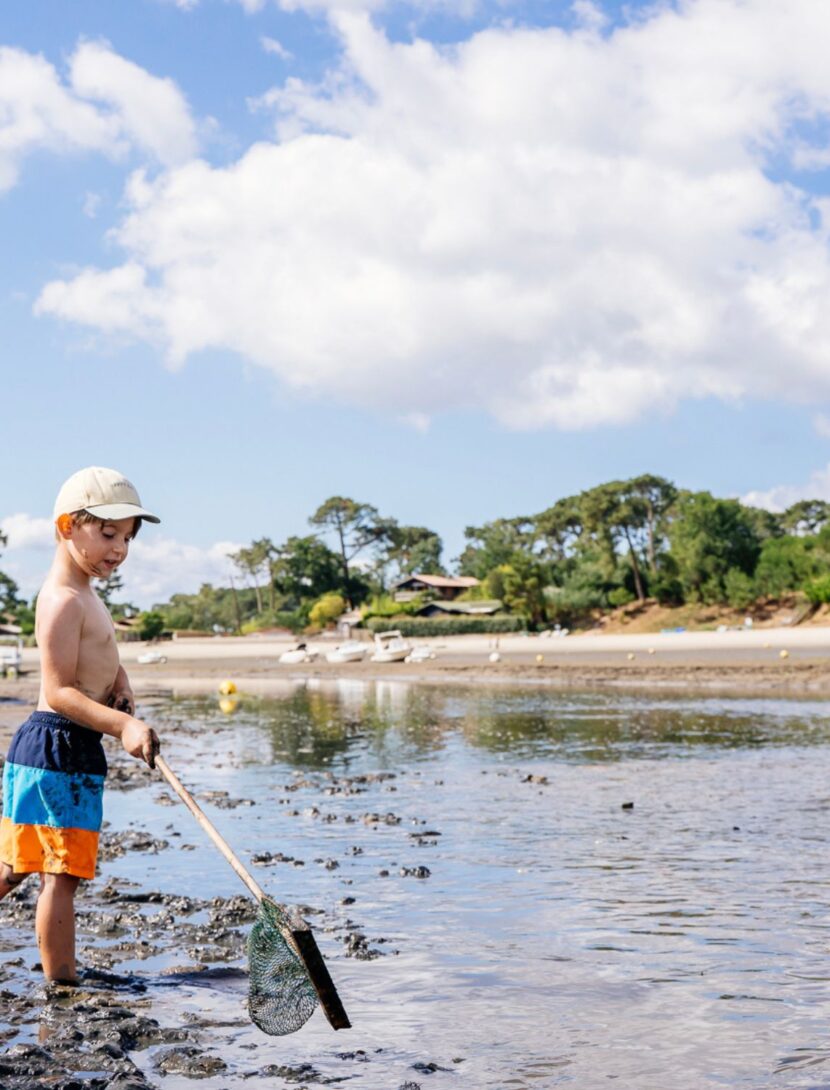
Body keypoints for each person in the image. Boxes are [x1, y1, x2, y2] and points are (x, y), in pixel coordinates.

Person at [0, 467, 161, 984]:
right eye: (108, 533)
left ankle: (60, 973)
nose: (120, 549)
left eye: (128, 538)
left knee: (20, 862)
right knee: (60, 874)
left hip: (52, 747)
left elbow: (100, 654)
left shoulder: (88, 593)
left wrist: (121, 681)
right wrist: (123, 727)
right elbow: (59, 691)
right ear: (68, 526)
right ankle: (62, 983)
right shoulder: (63, 600)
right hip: (59, 746)